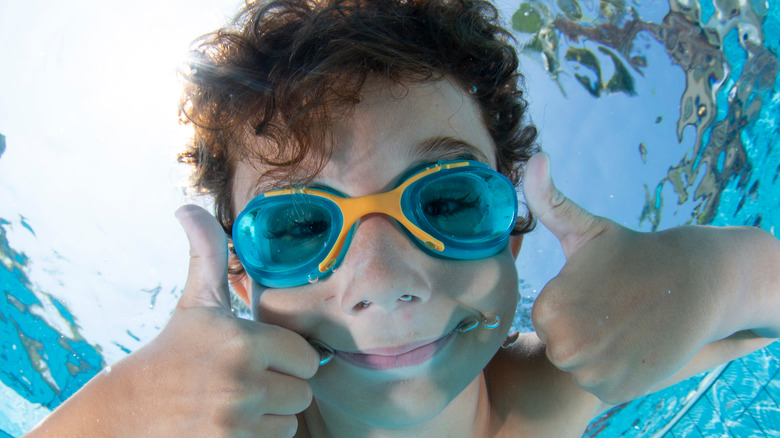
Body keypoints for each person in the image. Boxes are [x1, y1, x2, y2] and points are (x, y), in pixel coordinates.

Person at [25, 0, 780, 436]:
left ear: (515, 232)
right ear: (238, 276)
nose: (383, 285)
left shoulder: (549, 388)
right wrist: (116, 416)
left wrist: (714, 274)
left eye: (447, 201)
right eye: (297, 227)